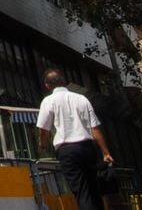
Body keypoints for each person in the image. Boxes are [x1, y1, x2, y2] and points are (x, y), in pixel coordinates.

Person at [36, 69, 115, 210]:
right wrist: (105, 152)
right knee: (93, 188)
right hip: (88, 148)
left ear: (47, 85)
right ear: (63, 82)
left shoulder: (48, 101)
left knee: (81, 190)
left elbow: (43, 129)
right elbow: (95, 128)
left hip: (67, 151)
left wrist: (42, 144)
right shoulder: (81, 99)